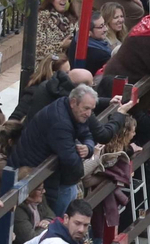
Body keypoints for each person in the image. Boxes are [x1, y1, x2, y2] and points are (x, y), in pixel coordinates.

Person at [9, 84, 102, 217]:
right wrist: (88, 159)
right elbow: (72, 163)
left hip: (55, 177)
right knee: (57, 219)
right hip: (39, 176)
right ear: (73, 102)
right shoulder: (60, 122)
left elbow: (87, 135)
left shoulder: (72, 111)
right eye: (86, 108)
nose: (89, 114)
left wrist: (88, 148)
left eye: (91, 110)